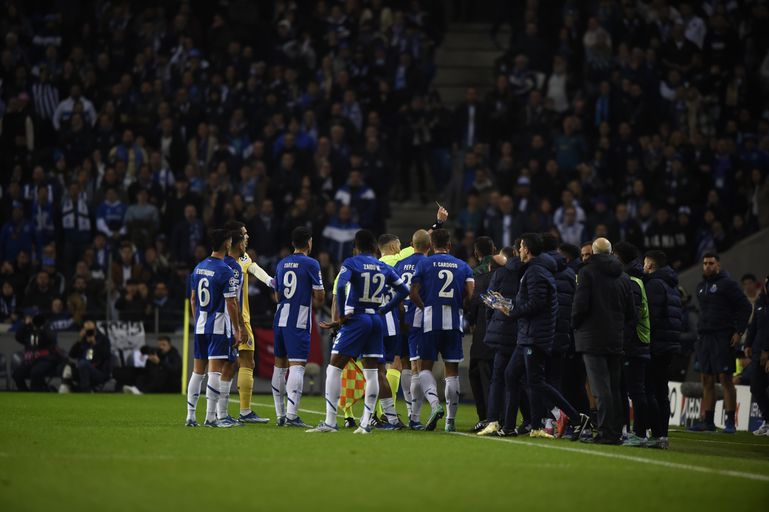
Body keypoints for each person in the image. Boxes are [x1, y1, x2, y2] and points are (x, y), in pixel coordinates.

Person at [308, 230, 409, 433]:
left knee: (334, 367)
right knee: (373, 372)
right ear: (374, 247)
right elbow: (404, 290)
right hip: (376, 319)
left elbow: (343, 286)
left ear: (355, 247)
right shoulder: (382, 266)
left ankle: (330, 422)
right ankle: (365, 424)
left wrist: (343, 316)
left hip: (358, 319)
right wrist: (385, 309)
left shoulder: (351, 263)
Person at [494, 234, 583, 439]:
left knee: (536, 382)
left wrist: (511, 311)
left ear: (528, 249)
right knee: (511, 375)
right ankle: (511, 427)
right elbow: (531, 301)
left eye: (522, 247)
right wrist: (505, 304)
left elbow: (537, 304)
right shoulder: (534, 270)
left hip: (535, 335)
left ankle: (575, 417)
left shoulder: (536, 271)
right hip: (527, 334)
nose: (519, 251)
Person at [408, 228, 475, 432]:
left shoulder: (424, 263)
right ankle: (450, 422)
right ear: (450, 245)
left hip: (430, 321)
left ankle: (435, 405)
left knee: (424, 367)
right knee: (451, 371)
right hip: (453, 321)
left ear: (431, 245)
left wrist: (425, 306)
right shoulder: (463, 266)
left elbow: (412, 292)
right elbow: (471, 294)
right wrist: (459, 304)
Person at [572, 238, 636, 444]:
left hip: (592, 338)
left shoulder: (587, 273)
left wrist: (575, 325)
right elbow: (631, 312)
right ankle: (616, 431)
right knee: (614, 388)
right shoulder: (624, 277)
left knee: (600, 388)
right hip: (615, 339)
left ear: (594, 252)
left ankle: (606, 432)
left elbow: (580, 306)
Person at [185, 229, 244, 428]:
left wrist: (198, 320)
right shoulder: (225, 270)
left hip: (200, 325)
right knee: (214, 373)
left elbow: (193, 299)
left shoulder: (199, 267)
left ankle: (190, 417)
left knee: (197, 372)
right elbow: (232, 303)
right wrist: (236, 329)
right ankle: (211, 417)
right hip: (218, 326)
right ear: (227, 244)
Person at [688, 253, 752, 433]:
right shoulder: (701, 287)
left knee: (725, 379)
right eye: (705, 263)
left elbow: (745, 307)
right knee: (706, 379)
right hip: (705, 338)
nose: (707, 266)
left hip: (722, 336)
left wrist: (739, 332)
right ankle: (708, 422)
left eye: (711, 263)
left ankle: (730, 422)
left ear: (718, 265)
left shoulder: (728, 284)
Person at [271, 226, 325, 427]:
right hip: (298, 320)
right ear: (309, 242)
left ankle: (280, 415)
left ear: (293, 243)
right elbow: (319, 297)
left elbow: (277, 295)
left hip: (280, 319)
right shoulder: (312, 264)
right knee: (297, 367)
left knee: (279, 366)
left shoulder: (281, 263)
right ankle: (292, 416)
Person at [223, 220, 274, 423]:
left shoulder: (240, 258)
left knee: (241, 362)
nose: (247, 236)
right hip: (237, 318)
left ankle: (231, 412)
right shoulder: (231, 264)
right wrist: (241, 326)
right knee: (237, 363)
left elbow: (253, 268)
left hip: (233, 318)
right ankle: (228, 413)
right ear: (235, 239)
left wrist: (271, 281)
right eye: (244, 234)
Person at [476, 242, 523, 436]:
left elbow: (490, 303)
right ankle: (525, 421)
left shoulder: (500, 274)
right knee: (521, 379)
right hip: (523, 332)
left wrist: (491, 327)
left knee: (499, 378)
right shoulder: (531, 272)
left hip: (502, 331)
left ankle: (494, 420)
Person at [613, 242, 651, 447]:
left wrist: (623, 342)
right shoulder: (629, 279)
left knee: (636, 390)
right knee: (623, 389)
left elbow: (632, 317)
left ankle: (640, 433)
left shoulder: (633, 282)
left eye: (614, 256)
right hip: (630, 344)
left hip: (634, 344)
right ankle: (625, 430)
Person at [643, 250, 682, 448]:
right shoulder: (672, 284)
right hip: (669, 344)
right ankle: (663, 436)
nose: (643, 268)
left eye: (645, 264)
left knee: (651, 391)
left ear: (650, 266)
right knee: (661, 391)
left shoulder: (655, 284)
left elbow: (651, 316)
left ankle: (657, 434)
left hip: (656, 345)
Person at [394, 229, 432, 430]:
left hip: (402, 317)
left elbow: (396, 291)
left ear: (412, 243)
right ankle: (414, 417)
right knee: (417, 368)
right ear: (430, 246)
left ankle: (410, 412)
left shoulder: (400, 264)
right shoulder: (428, 263)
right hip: (419, 317)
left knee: (405, 365)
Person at [217, 228, 251, 425]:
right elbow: (234, 301)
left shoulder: (217, 263)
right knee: (227, 366)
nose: (247, 241)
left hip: (213, 320)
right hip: (227, 323)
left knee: (218, 366)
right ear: (238, 244)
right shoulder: (234, 268)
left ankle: (213, 414)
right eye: (244, 238)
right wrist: (241, 327)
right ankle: (220, 415)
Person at [466, 236, 498, 428]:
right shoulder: (505, 270)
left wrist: (470, 320)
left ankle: (487, 417)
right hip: (504, 330)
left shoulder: (476, 274)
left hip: (483, 330)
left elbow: (473, 301)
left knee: (479, 372)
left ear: (476, 253)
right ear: (494, 249)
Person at [745, 276, 769, 435]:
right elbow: (754, 324)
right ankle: (767, 421)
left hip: (767, 351)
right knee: (756, 387)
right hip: (758, 350)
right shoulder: (761, 301)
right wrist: (748, 343)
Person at [13, 315, 60, 391]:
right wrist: (25, 324)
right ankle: (24, 392)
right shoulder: (28, 329)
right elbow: (18, 337)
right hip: (31, 359)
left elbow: (52, 338)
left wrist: (41, 328)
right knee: (17, 373)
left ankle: (36, 392)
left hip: (46, 359)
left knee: (35, 372)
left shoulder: (47, 326)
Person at [66, 320, 112, 392]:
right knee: (64, 366)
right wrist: (79, 340)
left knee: (84, 364)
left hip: (98, 370)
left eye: (91, 330)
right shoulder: (83, 340)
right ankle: (67, 387)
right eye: (87, 330)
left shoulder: (103, 339)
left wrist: (94, 344)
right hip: (82, 368)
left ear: (95, 329)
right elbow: (72, 355)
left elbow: (106, 355)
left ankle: (85, 390)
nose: (89, 332)